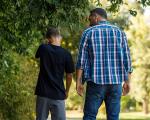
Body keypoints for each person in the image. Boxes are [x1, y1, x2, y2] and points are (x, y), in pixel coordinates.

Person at [76, 8, 133, 120]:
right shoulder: (120, 33)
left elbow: (81, 61)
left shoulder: (88, 33)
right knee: (113, 117)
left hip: (95, 82)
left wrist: (79, 82)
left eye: (90, 18)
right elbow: (127, 60)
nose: (89, 21)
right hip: (116, 82)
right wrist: (127, 81)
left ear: (96, 17)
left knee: (89, 116)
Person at [35, 27, 74, 120]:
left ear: (48, 39)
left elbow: (37, 56)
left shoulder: (43, 48)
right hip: (58, 94)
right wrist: (67, 91)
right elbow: (69, 75)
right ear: (60, 37)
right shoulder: (66, 54)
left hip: (43, 93)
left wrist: (47, 42)